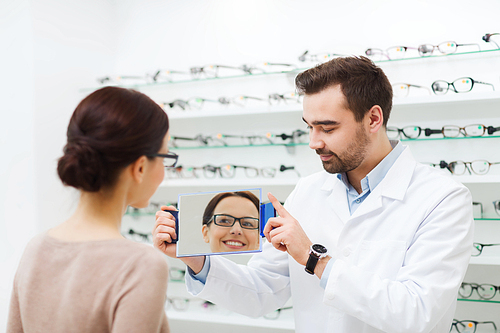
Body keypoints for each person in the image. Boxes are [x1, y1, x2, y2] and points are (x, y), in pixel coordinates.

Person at [153, 56, 474, 333]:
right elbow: (264, 291)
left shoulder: (442, 198)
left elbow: (416, 312)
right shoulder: (308, 191)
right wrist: (196, 260)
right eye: (309, 126)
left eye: (328, 128)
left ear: (373, 119)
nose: (313, 141)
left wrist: (314, 258)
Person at [8, 87, 174, 333]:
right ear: (140, 168)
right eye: (165, 157)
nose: (165, 169)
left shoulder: (36, 248)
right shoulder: (142, 264)